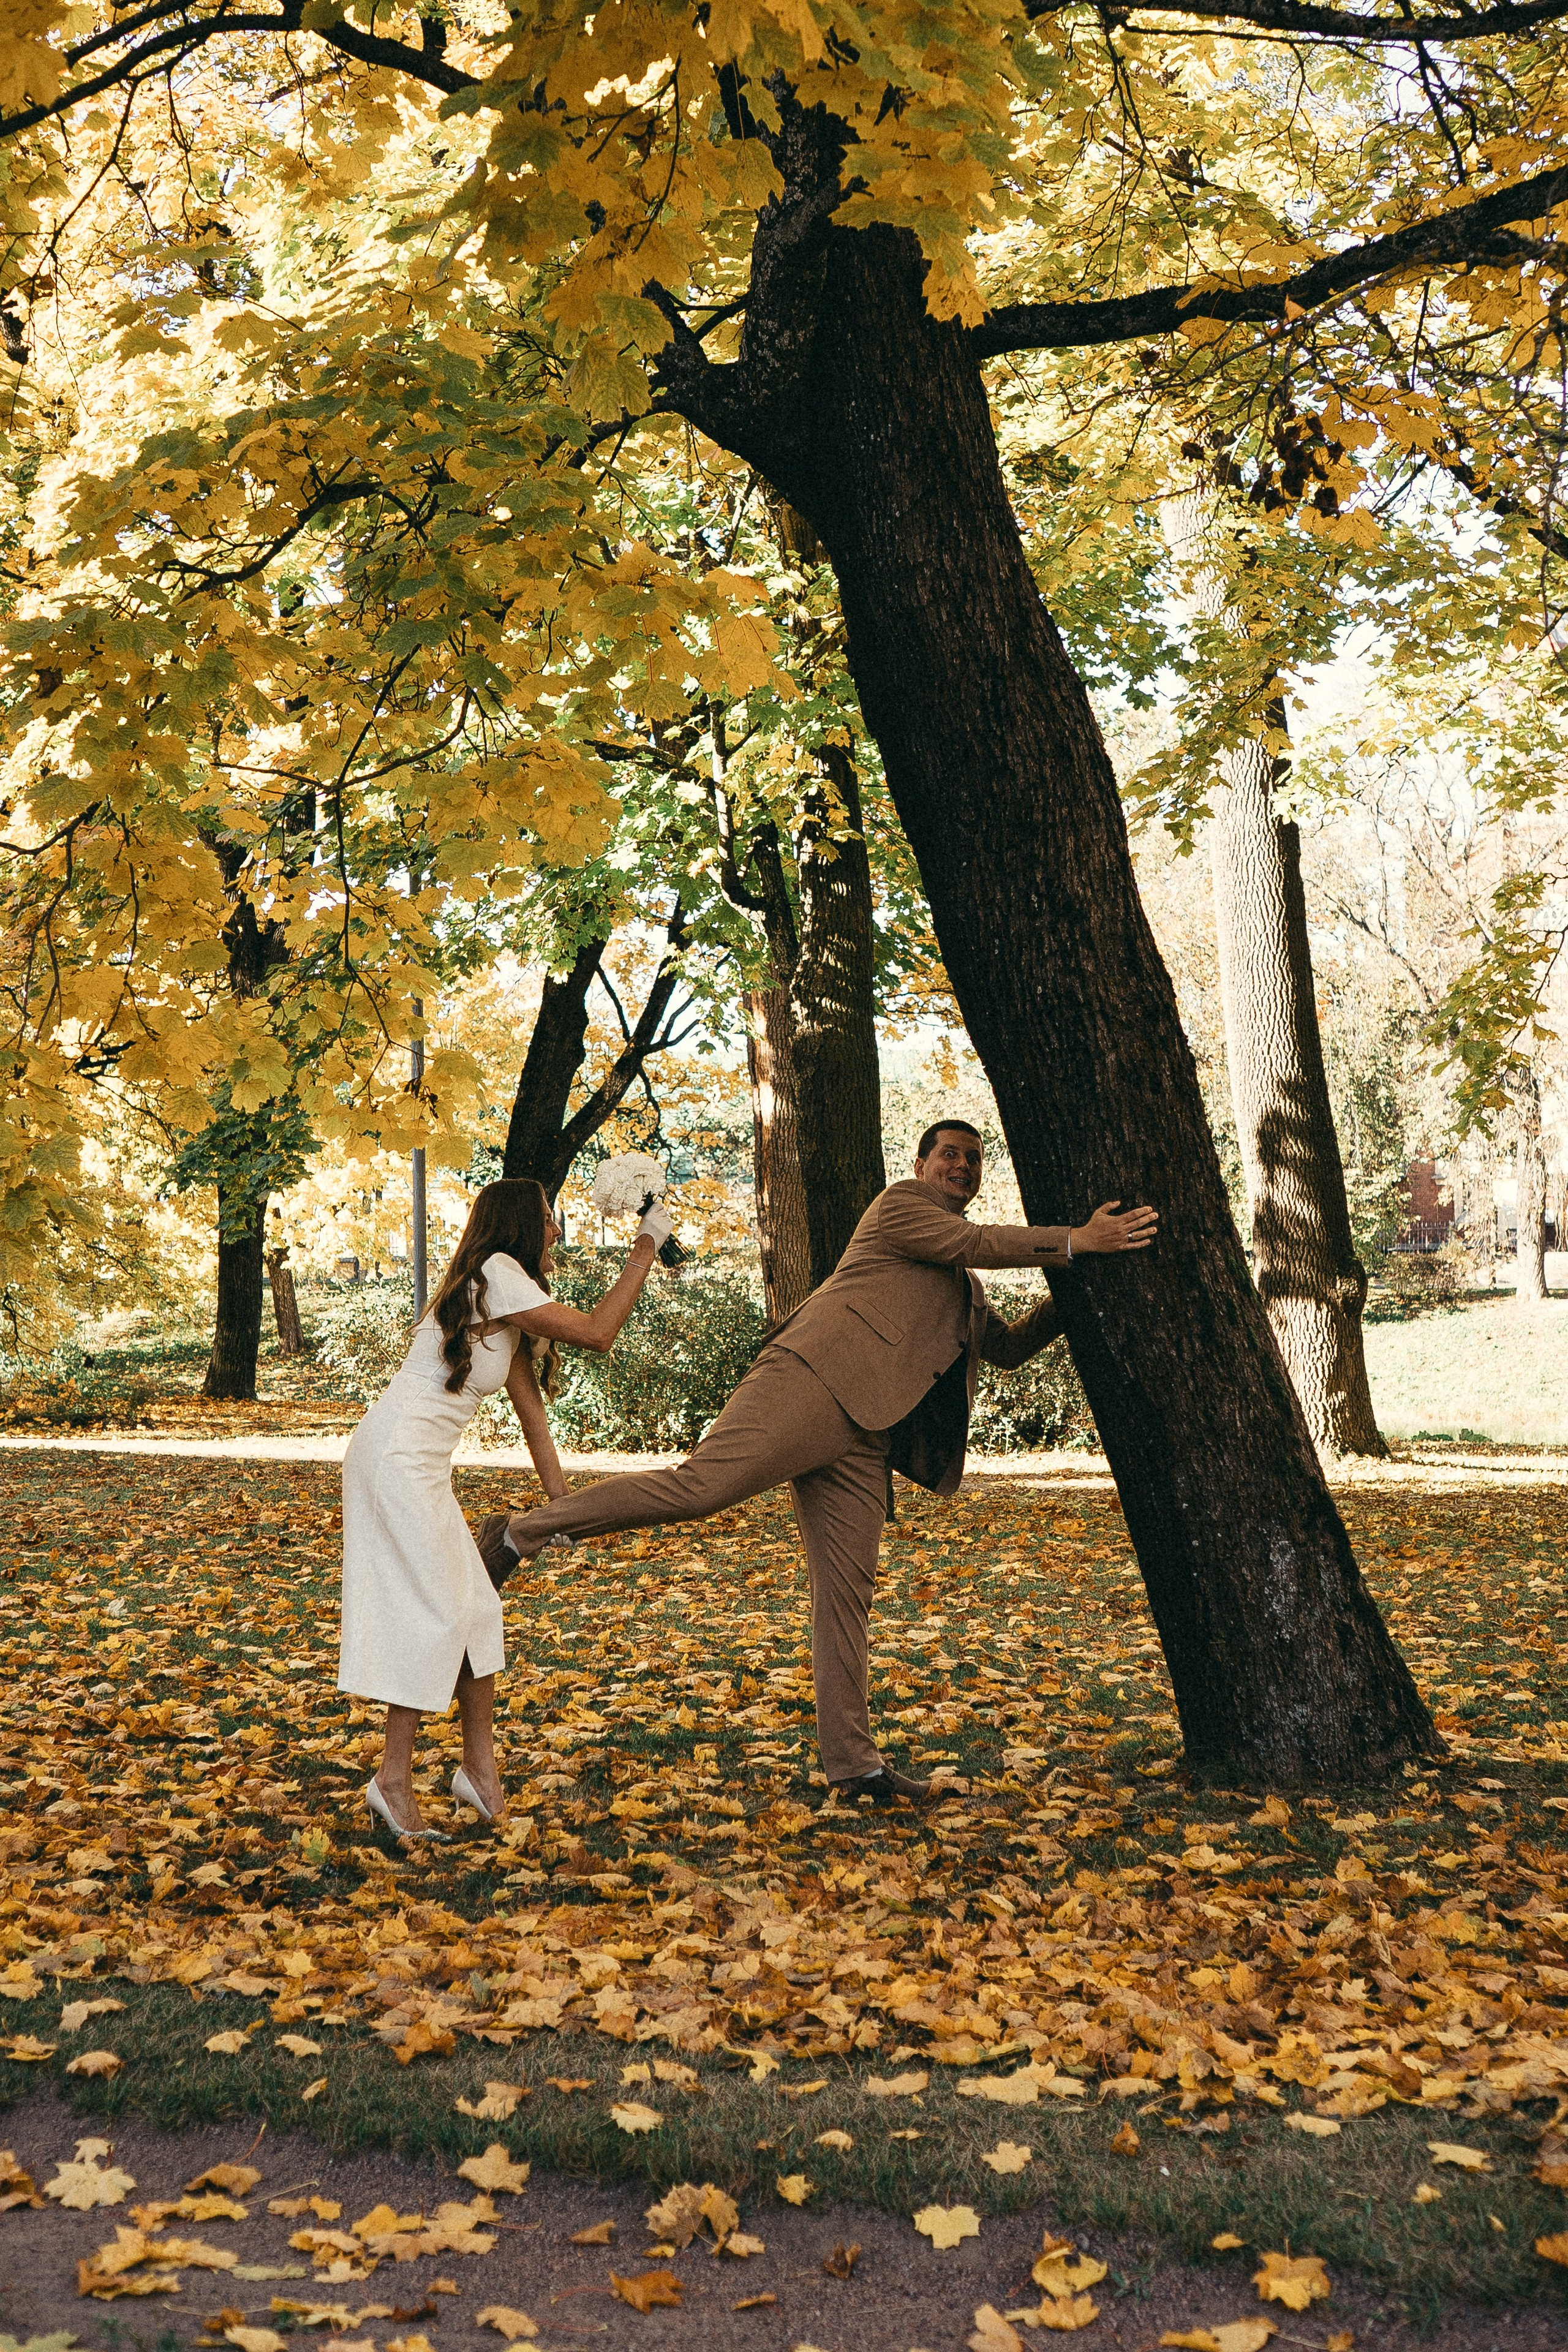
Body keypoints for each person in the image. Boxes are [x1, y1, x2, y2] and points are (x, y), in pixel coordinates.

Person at [490, 1123, 1157, 1804]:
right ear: (921, 1164)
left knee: (845, 1597)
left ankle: (855, 1768)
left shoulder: (967, 1288)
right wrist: (1076, 1240)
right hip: (809, 1381)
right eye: (948, 1155)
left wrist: (1078, 1295)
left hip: (867, 1438)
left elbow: (1007, 1349)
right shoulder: (900, 1207)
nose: (961, 1166)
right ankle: (521, 1531)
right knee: (701, 1486)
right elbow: (971, 1239)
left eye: (973, 1159)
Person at [339, 1175, 675, 1839]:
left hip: (417, 1464)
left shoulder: (503, 1298)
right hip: (395, 1461)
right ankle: (393, 1781)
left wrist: (563, 1508)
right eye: (548, 1219)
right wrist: (645, 1245)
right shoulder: (496, 1271)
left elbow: (534, 1420)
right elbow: (599, 1333)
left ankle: (478, 1774)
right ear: (521, 1225)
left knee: (479, 1610)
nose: (556, 1230)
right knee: (435, 1612)